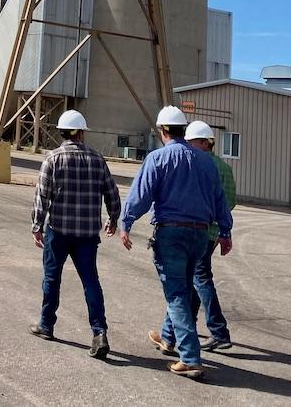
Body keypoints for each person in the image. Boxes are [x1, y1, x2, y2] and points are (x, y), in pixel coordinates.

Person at [120, 105, 233, 380]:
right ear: (184, 129)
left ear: (162, 131)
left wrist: (126, 221)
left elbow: (142, 194)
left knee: (177, 294)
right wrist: (226, 232)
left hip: (171, 234)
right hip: (199, 235)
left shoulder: (158, 158)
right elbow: (220, 200)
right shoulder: (206, 162)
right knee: (183, 288)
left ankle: (191, 358)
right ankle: (168, 337)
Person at [29, 110, 121, 359]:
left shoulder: (53, 159)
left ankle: (46, 325)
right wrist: (113, 218)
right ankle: (99, 332)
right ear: (80, 132)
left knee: (52, 278)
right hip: (87, 236)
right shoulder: (97, 159)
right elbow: (112, 193)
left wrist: (37, 226)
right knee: (91, 281)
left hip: (58, 231)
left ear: (62, 132)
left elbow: (42, 195)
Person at [158, 120, 235, 353]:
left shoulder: (196, 163)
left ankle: (218, 331)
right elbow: (229, 201)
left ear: (203, 142)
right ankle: (172, 332)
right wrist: (222, 229)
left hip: (197, 230)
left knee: (197, 279)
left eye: (191, 142)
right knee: (190, 279)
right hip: (210, 232)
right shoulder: (224, 167)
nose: (187, 146)